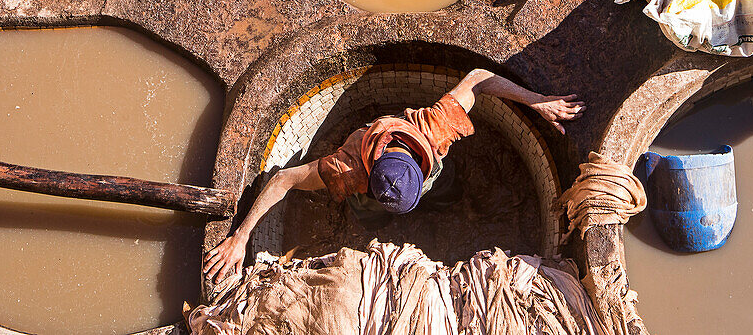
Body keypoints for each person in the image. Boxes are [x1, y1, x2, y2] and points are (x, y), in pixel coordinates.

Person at [204, 69, 586, 285]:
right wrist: (241, 237)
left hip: (433, 178)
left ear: (420, 162)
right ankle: (376, 219)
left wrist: (536, 99)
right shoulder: (349, 167)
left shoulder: (434, 129)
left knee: (448, 190)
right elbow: (283, 179)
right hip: (367, 193)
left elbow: (479, 79)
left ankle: (446, 199)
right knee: (370, 216)